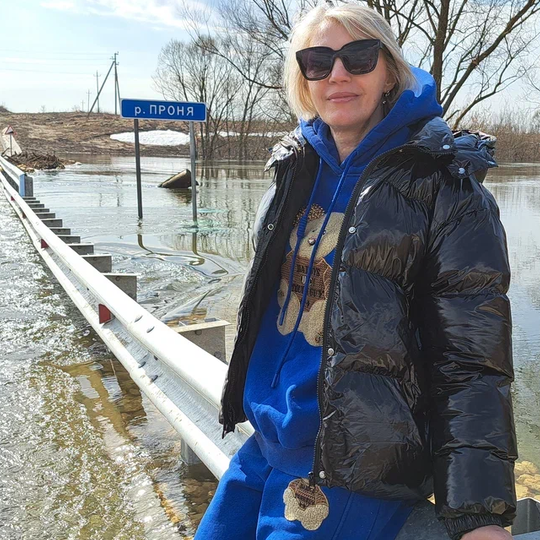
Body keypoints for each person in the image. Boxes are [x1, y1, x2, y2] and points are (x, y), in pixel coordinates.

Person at [197, 3, 516, 540]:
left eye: (358, 57)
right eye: (318, 61)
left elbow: (472, 362)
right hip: (267, 442)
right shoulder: (293, 168)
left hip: (354, 465)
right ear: (303, 77)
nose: (338, 74)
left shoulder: (446, 187)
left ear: (389, 69)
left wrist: (479, 514)